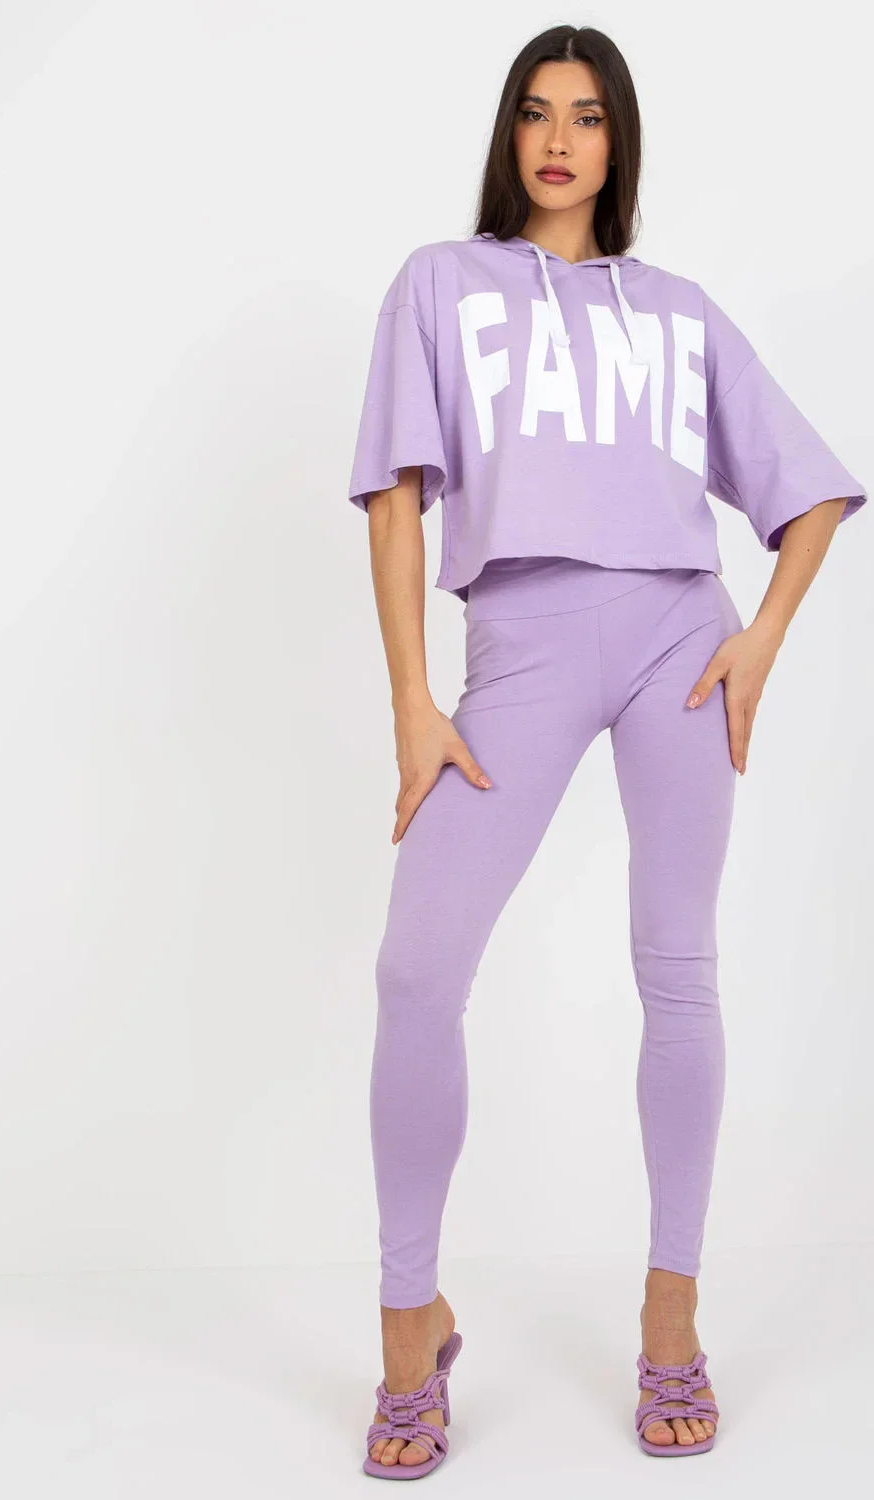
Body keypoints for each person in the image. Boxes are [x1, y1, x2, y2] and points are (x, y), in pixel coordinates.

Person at [346, 24, 866, 1477]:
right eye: (536, 113)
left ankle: (672, 1315)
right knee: (417, 971)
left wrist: (758, 639)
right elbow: (393, 501)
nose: (560, 140)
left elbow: (811, 495)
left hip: (677, 639)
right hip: (516, 644)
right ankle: (408, 1322)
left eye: (586, 116)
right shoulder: (440, 284)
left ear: (618, 140)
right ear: (508, 135)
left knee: (677, 966)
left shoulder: (679, 311)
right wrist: (414, 702)